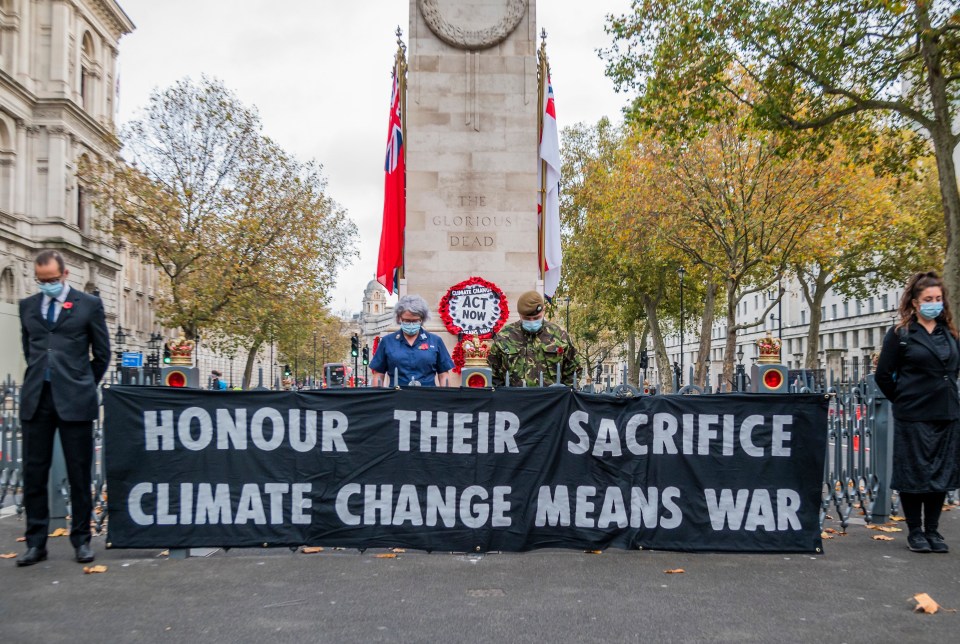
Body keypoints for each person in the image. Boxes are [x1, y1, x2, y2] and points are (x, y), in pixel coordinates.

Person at [16, 250, 110, 567]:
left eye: (53, 280)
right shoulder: (27, 306)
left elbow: (102, 353)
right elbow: (30, 348)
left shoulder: (89, 305)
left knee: (79, 474)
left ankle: (81, 540)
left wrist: (83, 383)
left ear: (65, 274)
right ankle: (35, 543)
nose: (48, 286)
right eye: (42, 281)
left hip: (75, 400)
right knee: (33, 474)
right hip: (37, 400)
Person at [875, 271, 960, 554]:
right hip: (913, 414)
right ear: (914, 302)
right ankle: (915, 532)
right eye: (928, 299)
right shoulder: (900, 334)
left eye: (938, 298)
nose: (934, 303)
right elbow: (883, 376)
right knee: (914, 475)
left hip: (946, 414)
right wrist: (903, 399)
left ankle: (933, 531)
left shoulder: (948, 333)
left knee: (939, 476)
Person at [487, 290, 577, 387]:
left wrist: (564, 395)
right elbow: (493, 372)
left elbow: (573, 369)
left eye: (536, 318)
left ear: (544, 310)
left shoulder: (559, 335)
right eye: (526, 318)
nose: (532, 322)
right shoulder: (504, 337)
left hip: (550, 399)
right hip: (515, 399)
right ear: (520, 315)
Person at [369, 294, 454, 387]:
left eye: (415, 321)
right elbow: (379, 375)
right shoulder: (387, 341)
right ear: (399, 318)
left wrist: (445, 398)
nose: (411, 324)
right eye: (407, 320)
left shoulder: (435, 341)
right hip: (397, 397)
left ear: (422, 319)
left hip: (428, 397)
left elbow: (443, 375)